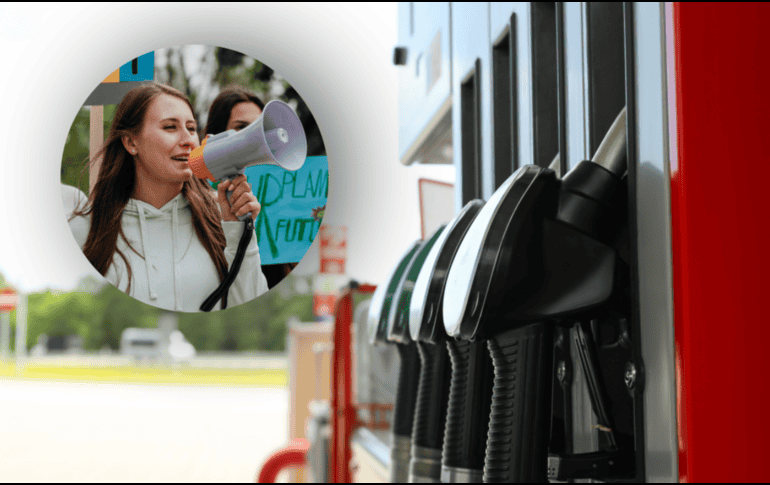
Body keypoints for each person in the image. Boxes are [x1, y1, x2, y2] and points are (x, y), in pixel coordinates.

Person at [69, 82, 268, 312]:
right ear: (131, 142)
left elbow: (248, 311)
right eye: (170, 127)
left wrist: (240, 232)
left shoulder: (221, 217)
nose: (188, 140)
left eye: (192, 128)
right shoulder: (85, 227)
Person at [203, 85, 297, 289]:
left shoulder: (282, 196)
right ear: (216, 136)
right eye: (241, 127)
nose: (257, 136)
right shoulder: (197, 203)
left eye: (260, 127)